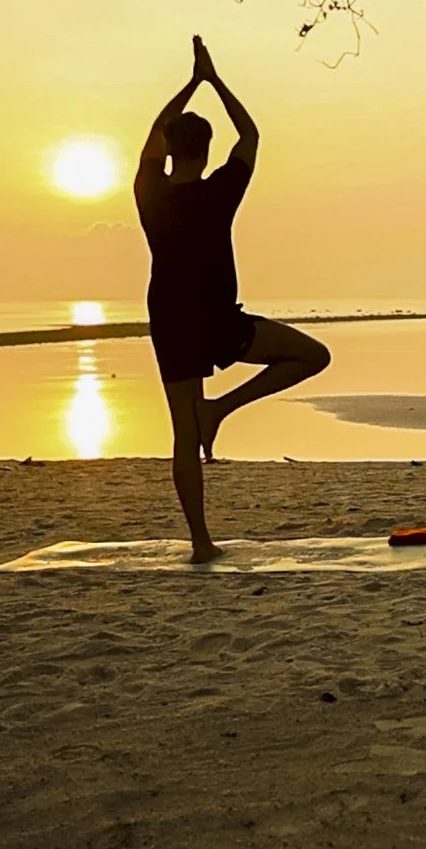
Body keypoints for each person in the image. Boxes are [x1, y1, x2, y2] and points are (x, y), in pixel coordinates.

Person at [135, 36, 331, 562]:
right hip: (216, 318)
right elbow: (250, 133)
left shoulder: (149, 191)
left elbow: (153, 135)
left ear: (172, 150)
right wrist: (213, 79)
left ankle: (202, 543)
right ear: (205, 150)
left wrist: (189, 84)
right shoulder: (220, 190)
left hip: (170, 319)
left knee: (182, 435)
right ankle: (221, 408)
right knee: (314, 356)